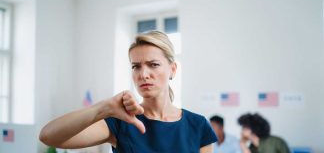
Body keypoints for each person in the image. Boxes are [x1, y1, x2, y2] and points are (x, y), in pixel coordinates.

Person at [39, 31, 217, 153]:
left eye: (153, 65)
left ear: (173, 69)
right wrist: (103, 107)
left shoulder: (198, 125)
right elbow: (48, 136)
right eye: (136, 66)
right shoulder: (121, 122)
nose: (143, 74)